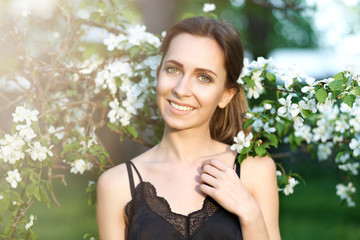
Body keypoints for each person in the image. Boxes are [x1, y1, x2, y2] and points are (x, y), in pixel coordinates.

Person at [96, 16, 281, 240]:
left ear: (226, 94)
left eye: (204, 78)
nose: (182, 89)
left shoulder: (255, 170)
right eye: (173, 70)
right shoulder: (116, 184)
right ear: (158, 74)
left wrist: (250, 213)